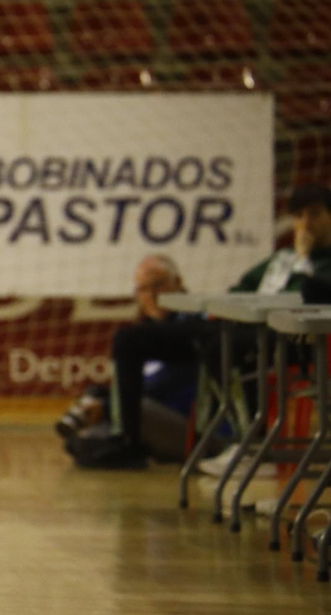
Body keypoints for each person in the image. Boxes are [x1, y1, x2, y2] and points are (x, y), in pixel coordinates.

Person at [84, 183, 331, 469]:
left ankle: (250, 445)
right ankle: (126, 439)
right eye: (299, 216)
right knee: (130, 339)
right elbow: (239, 291)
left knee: (222, 345)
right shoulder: (281, 259)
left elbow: (308, 298)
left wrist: (303, 260)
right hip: (240, 329)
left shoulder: (321, 263)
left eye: (314, 214)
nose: (306, 224)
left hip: (293, 341)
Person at [58, 255, 198, 466]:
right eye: (143, 289)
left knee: (127, 407)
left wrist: (106, 407)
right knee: (80, 440)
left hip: (190, 427)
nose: (151, 295)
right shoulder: (147, 332)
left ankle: (129, 444)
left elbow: (165, 387)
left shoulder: (191, 328)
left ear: (177, 283)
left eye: (158, 285)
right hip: (154, 419)